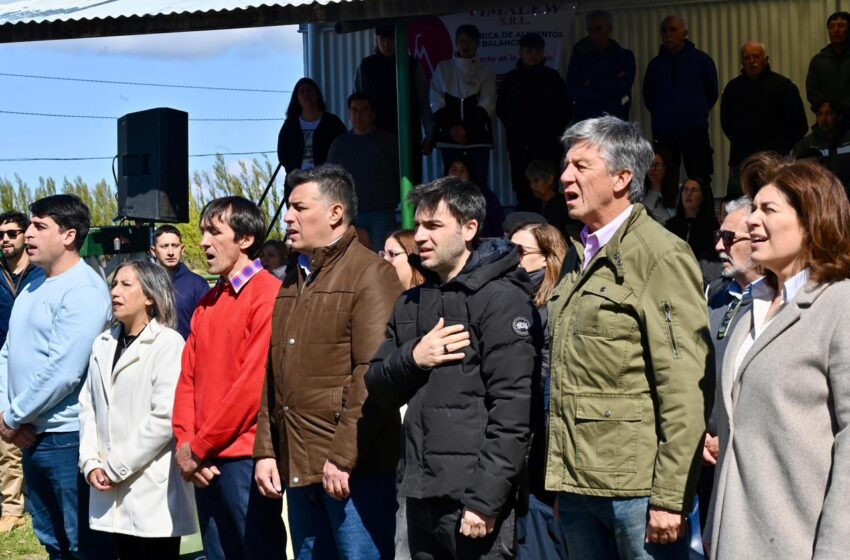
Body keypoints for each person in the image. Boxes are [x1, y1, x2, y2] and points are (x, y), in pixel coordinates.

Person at [547, 116, 712, 560]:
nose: (565, 176)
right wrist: (564, 480)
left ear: (622, 178)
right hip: (581, 486)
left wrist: (670, 497)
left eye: (581, 166)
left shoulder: (660, 255)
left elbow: (685, 386)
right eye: (566, 166)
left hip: (638, 493)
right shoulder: (578, 256)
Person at [365, 177, 537, 559]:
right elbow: (377, 385)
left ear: (470, 228)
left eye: (434, 226)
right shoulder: (410, 304)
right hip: (419, 494)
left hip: (472, 504)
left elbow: (512, 409)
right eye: (418, 226)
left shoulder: (502, 299)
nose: (421, 236)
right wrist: (414, 358)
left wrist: (485, 500)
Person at [253, 164, 402, 559]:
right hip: (301, 465)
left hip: (353, 474)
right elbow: (274, 371)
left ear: (336, 213)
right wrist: (267, 451)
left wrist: (343, 458)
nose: (287, 217)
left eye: (299, 207)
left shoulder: (372, 273)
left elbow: (372, 374)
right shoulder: (293, 279)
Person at [704, 154, 850, 559]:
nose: (751, 220)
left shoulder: (839, 305)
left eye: (768, 209)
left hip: (798, 545)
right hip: (732, 540)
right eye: (753, 209)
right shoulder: (752, 307)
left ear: (811, 220)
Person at [0, 194, 116, 559]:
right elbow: (8, 353)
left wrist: (12, 416)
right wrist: (7, 416)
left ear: (68, 236)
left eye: (39, 226)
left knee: (83, 545)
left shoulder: (83, 289)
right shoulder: (34, 285)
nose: (29, 234)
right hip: (31, 436)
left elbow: (65, 370)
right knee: (52, 541)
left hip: (67, 438)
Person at [172, 196, 286, 560]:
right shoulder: (208, 300)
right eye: (203, 231)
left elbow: (252, 386)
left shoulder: (267, 294)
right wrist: (186, 443)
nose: (203, 241)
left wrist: (198, 447)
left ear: (245, 239)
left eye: (214, 232)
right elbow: (186, 379)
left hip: (243, 458)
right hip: (204, 459)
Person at [79, 260, 196, 559]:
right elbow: (88, 405)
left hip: (151, 487)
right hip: (108, 484)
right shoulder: (102, 343)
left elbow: (164, 417)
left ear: (149, 297)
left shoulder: (168, 344)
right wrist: (91, 462)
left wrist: (116, 466)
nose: (115, 291)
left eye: (125, 285)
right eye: (113, 284)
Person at [697, 195, 761, 529]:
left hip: (749, 458)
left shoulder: (779, 302)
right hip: (705, 455)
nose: (720, 247)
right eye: (717, 237)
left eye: (730, 238)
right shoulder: (714, 293)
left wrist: (732, 435)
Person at [508, 221, 568, 560]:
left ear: (547, 258)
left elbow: (543, 374)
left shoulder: (547, 307)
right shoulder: (514, 296)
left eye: (520, 251)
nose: (511, 257)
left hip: (540, 437)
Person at [0, 211, 44, 534]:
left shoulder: (40, 273)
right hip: (2, 364)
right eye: (1, 234)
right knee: (5, 438)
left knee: (37, 434)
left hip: (36, 364)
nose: (5, 239)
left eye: (12, 233)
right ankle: (12, 508)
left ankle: (37, 500)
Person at [720, 41, 808, 197]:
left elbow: (799, 125)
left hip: (776, 161)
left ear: (766, 59)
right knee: (737, 206)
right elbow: (727, 123)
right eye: (747, 57)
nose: (752, 61)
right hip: (741, 160)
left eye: (756, 56)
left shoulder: (784, 86)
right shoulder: (733, 89)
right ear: (742, 62)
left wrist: (780, 150)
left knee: (777, 202)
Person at [497, 33, 571, 211]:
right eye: (529, 50)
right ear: (520, 52)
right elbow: (502, 111)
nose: (533, 54)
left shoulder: (552, 78)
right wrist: (518, 130)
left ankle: (552, 232)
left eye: (538, 50)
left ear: (543, 52)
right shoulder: (510, 79)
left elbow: (566, 109)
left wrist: (553, 131)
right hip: (520, 147)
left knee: (549, 191)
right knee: (524, 190)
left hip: (548, 146)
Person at [353, 25, 435, 182]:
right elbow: (355, 106)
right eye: (382, 39)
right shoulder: (365, 66)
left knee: (410, 184)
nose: (386, 44)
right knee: (378, 183)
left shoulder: (412, 65)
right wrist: (357, 136)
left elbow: (424, 103)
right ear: (376, 40)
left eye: (391, 39)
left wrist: (429, 136)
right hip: (375, 138)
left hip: (408, 136)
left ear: (399, 40)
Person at [643, 16, 719, 182]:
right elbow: (648, 97)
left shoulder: (702, 61)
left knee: (700, 178)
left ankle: (701, 208)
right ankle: (668, 208)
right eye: (664, 30)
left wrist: (696, 112)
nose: (668, 34)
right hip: (664, 133)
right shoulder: (655, 66)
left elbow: (712, 93)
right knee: (665, 180)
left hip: (695, 131)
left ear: (684, 33)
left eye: (673, 30)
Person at [327, 92, 400, 247]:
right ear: (349, 114)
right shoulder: (339, 144)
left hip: (382, 213)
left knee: (382, 261)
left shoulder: (388, 141)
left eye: (363, 110)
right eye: (354, 110)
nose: (358, 115)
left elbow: (400, 174)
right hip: (350, 215)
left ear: (373, 114)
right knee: (354, 264)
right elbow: (330, 180)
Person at [430, 24, 496, 187]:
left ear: (477, 43)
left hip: (478, 140)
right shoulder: (443, 68)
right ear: (456, 43)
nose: (465, 45)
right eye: (462, 41)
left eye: (470, 41)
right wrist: (452, 128)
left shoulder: (485, 70)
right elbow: (435, 102)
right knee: (450, 185)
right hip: (449, 139)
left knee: (478, 183)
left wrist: (466, 129)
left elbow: (487, 103)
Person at [277, 78, 347, 197]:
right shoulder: (290, 124)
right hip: (297, 184)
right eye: (302, 92)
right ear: (297, 98)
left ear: (317, 94)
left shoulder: (332, 122)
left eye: (309, 90)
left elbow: (344, 149)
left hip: (327, 184)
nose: (306, 94)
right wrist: (293, 171)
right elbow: (282, 154)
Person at [566, 10, 636, 122]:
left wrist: (591, 82)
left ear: (609, 28)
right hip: (587, 122)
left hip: (614, 121)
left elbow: (623, 88)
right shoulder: (578, 57)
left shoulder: (625, 57)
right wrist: (610, 84)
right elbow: (574, 92)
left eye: (599, 29)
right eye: (590, 30)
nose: (594, 35)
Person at [149, 224, 209, 340]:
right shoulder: (145, 283)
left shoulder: (197, 285)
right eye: (164, 246)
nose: (170, 252)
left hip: (184, 353)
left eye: (175, 246)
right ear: (153, 251)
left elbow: (206, 329)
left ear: (182, 249)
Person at [793, 100, 850, 191]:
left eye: (829, 114)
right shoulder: (807, 144)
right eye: (820, 114)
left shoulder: (847, 140)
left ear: (839, 117)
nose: (823, 119)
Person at [446, 157, 504, 238]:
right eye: (453, 170)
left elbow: (498, 224)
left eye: (463, 170)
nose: (458, 174)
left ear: (469, 174)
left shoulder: (486, 195)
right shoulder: (441, 196)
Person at [806, 11, 850, 115]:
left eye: (841, 26)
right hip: (827, 123)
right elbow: (812, 91)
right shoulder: (818, 61)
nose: (835, 30)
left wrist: (842, 109)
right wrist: (828, 109)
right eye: (831, 26)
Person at [665, 177, 720, 259]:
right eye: (685, 189)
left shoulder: (712, 225)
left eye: (693, 190)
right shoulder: (670, 225)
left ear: (702, 196)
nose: (688, 193)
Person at [525, 159, 577, 237]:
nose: (532, 186)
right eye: (530, 181)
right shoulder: (528, 205)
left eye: (536, 181)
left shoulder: (564, 204)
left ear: (550, 180)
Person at [643, 145, 678, 223]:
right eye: (650, 164)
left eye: (657, 165)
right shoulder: (640, 194)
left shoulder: (677, 194)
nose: (653, 169)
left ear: (667, 168)